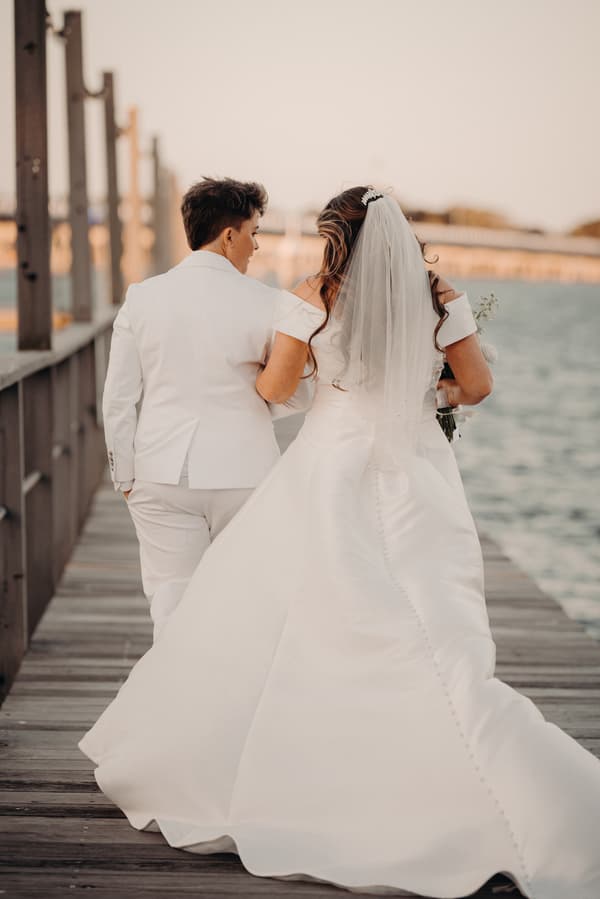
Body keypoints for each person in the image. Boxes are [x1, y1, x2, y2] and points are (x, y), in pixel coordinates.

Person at [81, 187, 600, 898]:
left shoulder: (311, 294)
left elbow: (274, 388)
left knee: (309, 610)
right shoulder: (440, 294)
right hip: (416, 470)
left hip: (331, 466)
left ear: (333, 237)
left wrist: (315, 380)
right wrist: (417, 398)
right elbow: (475, 385)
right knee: (429, 618)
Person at [102, 177, 313, 640]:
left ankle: (172, 704)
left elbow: (119, 397)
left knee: (172, 609)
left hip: (159, 475)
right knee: (246, 606)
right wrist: (251, 408)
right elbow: (295, 392)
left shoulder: (143, 297)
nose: (257, 245)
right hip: (247, 473)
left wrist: (125, 477)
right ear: (229, 235)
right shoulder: (269, 302)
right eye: (254, 231)